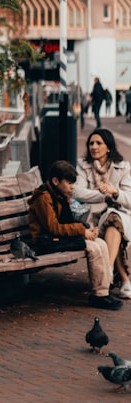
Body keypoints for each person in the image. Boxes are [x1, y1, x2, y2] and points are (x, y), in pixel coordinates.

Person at [28, 160, 121, 311]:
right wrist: (81, 231)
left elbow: (67, 221)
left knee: (100, 243)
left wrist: (87, 229)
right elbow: (54, 228)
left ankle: (104, 291)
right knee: (92, 248)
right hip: (45, 241)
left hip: (58, 238)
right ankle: (99, 295)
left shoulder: (60, 194)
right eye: (69, 183)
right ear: (55, 181)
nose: (72, 187)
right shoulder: (43, 198)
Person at [74, 128, 131, 300]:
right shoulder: (83, 165)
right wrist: (104, 194)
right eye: (91, 143)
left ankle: (107, 272)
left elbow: (129, 199)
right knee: (114, 227)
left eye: (99, 143)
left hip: (120, 214)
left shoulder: (123, 168)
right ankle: (125, 280)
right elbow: (78, 193)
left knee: (114, 219)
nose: (94, 146)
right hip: (94, 218)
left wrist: (115, 193)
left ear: (108, 147)